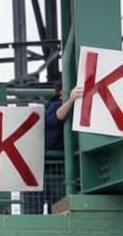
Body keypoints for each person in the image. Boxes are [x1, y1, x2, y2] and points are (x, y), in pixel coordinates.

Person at [21, 85, 83, 215]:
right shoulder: (54, 105)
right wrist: (71, 100)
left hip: (52, 168)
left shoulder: (75, 108)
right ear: (61, 91)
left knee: (54, 208)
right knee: (35, 212)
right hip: (42, 167)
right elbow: (55, 118)